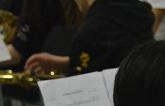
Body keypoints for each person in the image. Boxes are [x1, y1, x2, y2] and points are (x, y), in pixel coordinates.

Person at [25, 0, 153, 75]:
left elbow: (85, 84)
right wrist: (64, 63)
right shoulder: (133, 12)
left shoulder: (92, 30)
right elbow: (114, 59)